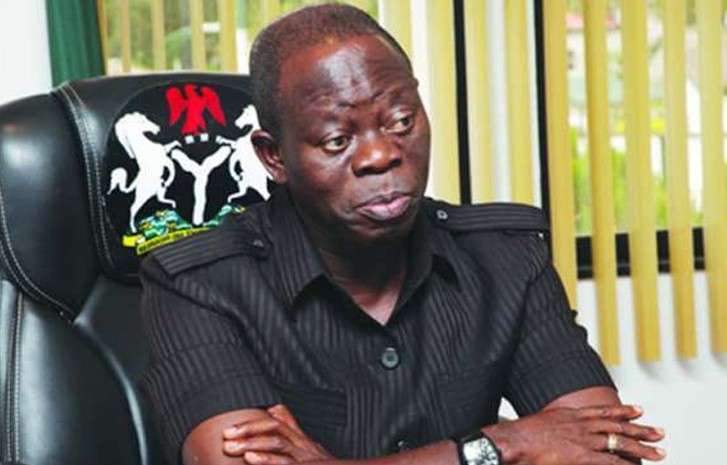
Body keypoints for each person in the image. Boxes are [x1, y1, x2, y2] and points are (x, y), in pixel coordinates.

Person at [139, 4, 665, 465]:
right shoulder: (196, 284)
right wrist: (503, 446)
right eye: (337, 139)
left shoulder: (506, 259)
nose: (380, 155)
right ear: (274, 156)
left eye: (400, 121)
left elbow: (608, 453)